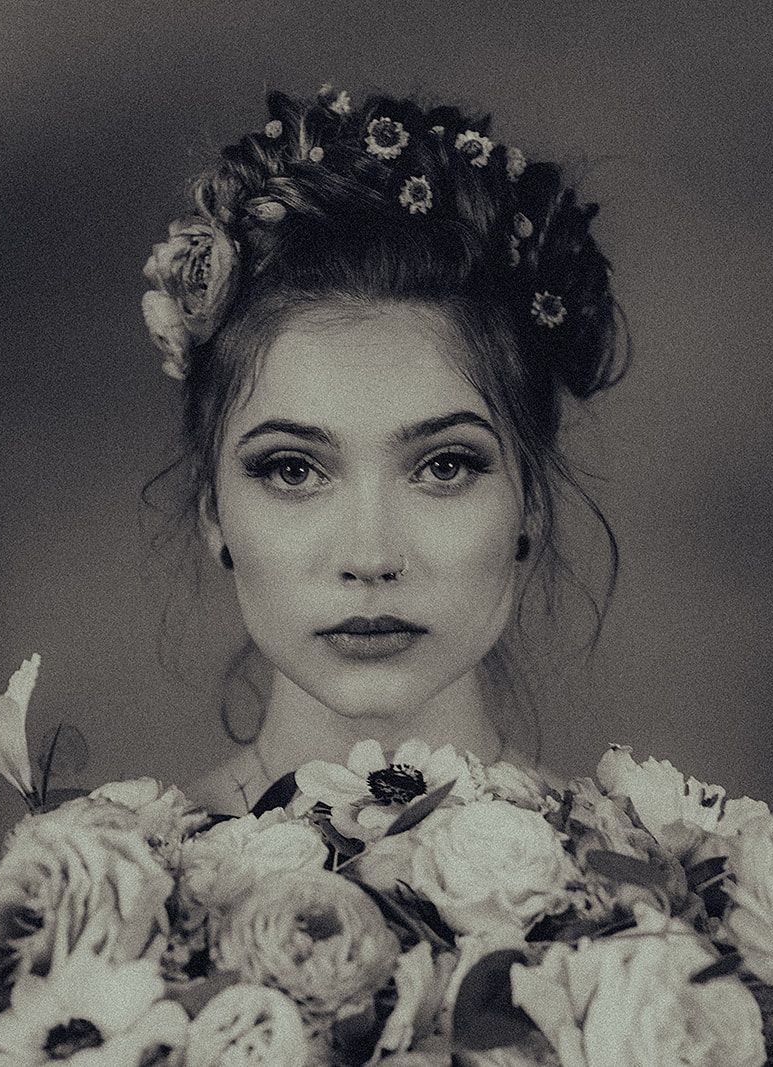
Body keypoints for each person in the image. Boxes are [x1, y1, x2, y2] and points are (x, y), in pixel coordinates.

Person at [139, 84, 627, 815]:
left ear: (527, 499)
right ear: (215, 513)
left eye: (444, 465)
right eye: (293, 469)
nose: (370, 556)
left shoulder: (671, 899)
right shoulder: (96, 899)